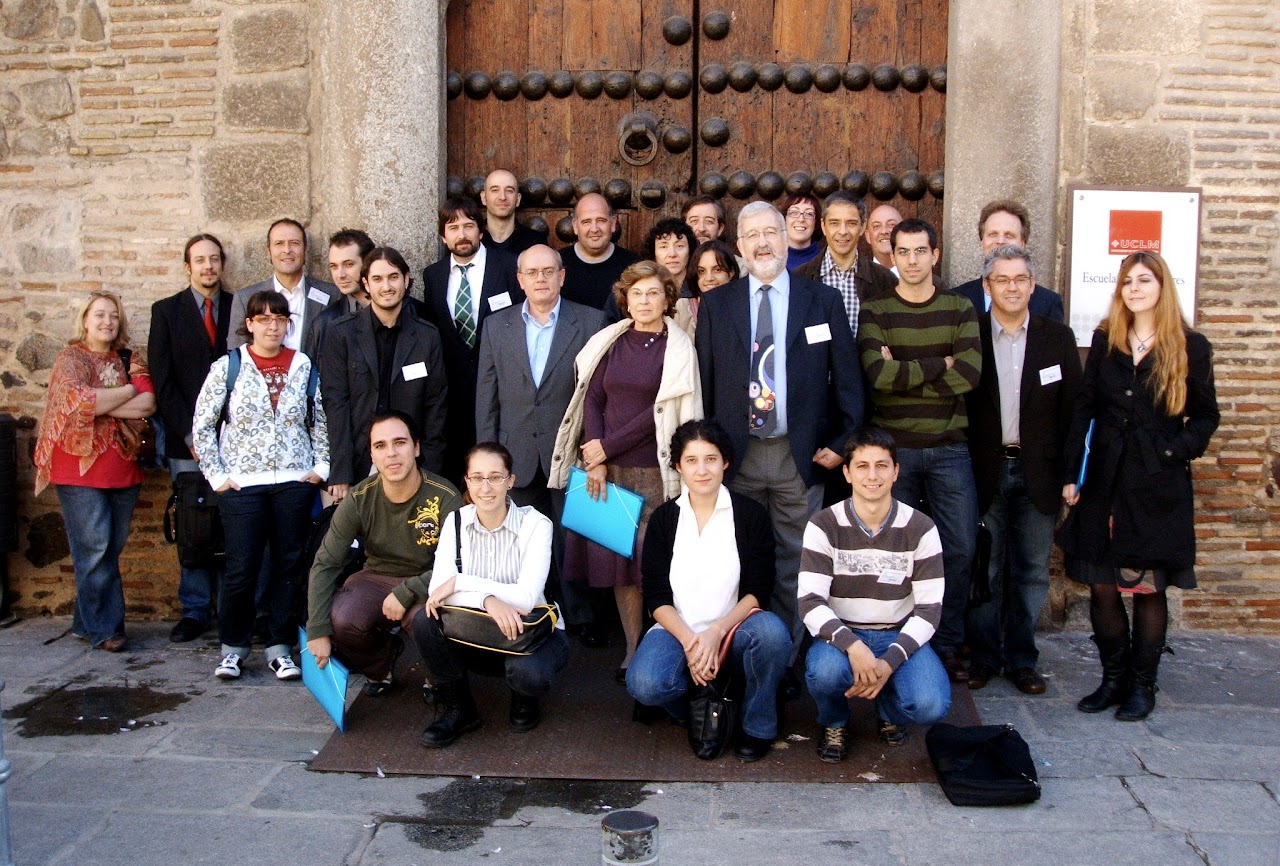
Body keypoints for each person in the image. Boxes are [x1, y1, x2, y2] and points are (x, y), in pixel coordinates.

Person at [695, 201, 864, 673]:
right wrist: (708, 452)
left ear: (787, 239)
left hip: (799, 454)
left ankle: (785, 659)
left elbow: (847, 380)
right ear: (741, 246)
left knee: (797, 560)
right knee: (738, 559)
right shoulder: (717, 304)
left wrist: (845, 440)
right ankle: (739, 653)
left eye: (772, 232)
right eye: (752, 235)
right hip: (738, 456)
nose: (763, 242)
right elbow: (706, 385)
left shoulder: (822, 301)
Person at [1059, 251, 1219, 721]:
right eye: (1127, 281)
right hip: (1105, 481)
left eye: (1144, 280)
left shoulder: (1191, 346)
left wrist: (1171, 450)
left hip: (1156, 486)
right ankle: (1112, 679)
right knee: (1103, 586)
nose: (1134, 288)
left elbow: (1206, 416)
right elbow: (1085, 408)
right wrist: (1072, 473)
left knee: (1148, 587)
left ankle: (1142, 686)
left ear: (1162, 286)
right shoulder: (1107, 339)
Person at [550, 260, 702, 681]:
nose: (645, 300)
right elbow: (592, 399)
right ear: (626, 299)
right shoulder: (611, 340)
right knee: (620, 566)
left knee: (650, 565)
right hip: (608, 470)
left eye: (654, 293)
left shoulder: (679, 348)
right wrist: (596, 457)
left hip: (653, 473)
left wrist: (606, 447)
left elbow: (658, 413)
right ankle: (633, 646)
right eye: (637, 293)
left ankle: (663, 647)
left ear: (667, 299)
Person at [857, 218, 981, 683]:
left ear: (935, 254)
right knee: (896, 553)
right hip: (896, 454)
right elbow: (878, 378)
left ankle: (945, 643)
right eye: (902, 251)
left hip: (950, 450)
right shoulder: (877, 309)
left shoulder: (959, 307)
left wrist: (906, 371)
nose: (911, 260)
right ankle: (900, 640)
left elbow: (967, 376)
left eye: (919, 251)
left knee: (960, 548)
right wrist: (938, 364)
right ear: (892, 255)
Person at [627, 419, 791, 762]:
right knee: (644, 684)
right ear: (678, 466)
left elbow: (759, 589)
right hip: (678, 631)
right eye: (691, 460)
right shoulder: (664, 519)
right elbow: (655, 595)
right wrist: (691, 642)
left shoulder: (749, 515)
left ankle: (756, 726)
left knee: (773, 635)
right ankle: (696, 706)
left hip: (735, 630)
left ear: (725, 462)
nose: (702, 470)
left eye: (711, 459)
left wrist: (716, 632)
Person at [193, 290, 329, 682]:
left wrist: (320, 467)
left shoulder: (303, 365)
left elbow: (320, 419)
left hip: (293, 480)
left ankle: (280, 647)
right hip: (242, 486)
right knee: (242, 566)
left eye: (279, 318)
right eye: (263, 319)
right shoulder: (229, 366)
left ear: (288, 323)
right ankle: (233, 648)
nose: (272, 325)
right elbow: (202, 424)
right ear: (249, 324)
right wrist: (218, 477)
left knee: (289, 565)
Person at [475, 244, 605, 645]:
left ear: (562, 275)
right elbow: (487, 394)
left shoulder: (591, 321)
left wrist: (597, 449)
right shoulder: (497, 326)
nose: (541, 279)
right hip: (516, 453)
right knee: (522, 537)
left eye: (549, 271)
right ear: (520, 279)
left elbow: (600, 392)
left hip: (571, 452)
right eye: (532, 273)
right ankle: (531, 608)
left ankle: (581, 615)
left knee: (575, 537)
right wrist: (487, 461)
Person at [964, 245, 1081, 694]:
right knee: (985, 569)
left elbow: (1073, 412)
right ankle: (984, 657)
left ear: (1032, 285)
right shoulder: (969, 335)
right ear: (987, 286)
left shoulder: (1057, 338)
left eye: (1020, 279)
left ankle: (1021, 659)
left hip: (1040, 473)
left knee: (1032, 570)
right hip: (984, 472)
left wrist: (1071, 473)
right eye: (1002, 279)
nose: (1011, 287)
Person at [800, 428, 951, 762]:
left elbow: (928, 611)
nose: (872, 475)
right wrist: (853, 647)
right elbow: (810, 602)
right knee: (824, 673)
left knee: (931, 705)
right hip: (842, 635)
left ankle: (890, 712)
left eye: (882, 466)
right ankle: (834, 721)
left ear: (896, 472)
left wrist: (888, 661)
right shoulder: (823, 525)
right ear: (847, 472)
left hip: (897, 633)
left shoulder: (921, 528)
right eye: (863, 466)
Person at [411, 442, 570, 747]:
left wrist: (461, 582)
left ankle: (524, 698)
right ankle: (460, 710)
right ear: (467, 482)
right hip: (477, 631)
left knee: (528, 674)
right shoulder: (455, 522)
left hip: (528, 635)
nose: (486, 487)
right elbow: (436, 593)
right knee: (425, 621)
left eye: (496, 477)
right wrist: (487, 600)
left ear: (511, 480)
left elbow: (525, 599)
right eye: (477, 477)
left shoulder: (537, 524)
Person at [306, 410, 461, 697]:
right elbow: (326, 563)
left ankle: (439, 676)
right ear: (372, 455)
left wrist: (407, 592)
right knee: (342, 618)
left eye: (400, 443)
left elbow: (457, 565)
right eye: (380, 446)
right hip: (377, 576)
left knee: (430, 623)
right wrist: (317, 630)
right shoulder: (359, 498)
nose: (391, 454)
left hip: (431, 581)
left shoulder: (444, 496)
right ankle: (381, 667)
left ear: (416, 447)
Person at [34, 291, 156, 652]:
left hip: (122, 467)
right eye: (99, 315)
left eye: (113, 316)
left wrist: (104, 402)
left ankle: (83, 620)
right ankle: (106, 630)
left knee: (107, 548)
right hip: (77, 468)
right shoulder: (70, 358)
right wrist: (124, 394)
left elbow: (147, 404)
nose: (107, 322)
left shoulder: (128, 358)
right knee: (95, 547)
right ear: (85, 320)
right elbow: (79, 402)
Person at [149, 234, 233, 642]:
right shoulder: (165, 312)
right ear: (188, 266)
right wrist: (190, 434)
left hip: (236, 438)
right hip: (187, 442)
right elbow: (163, 384)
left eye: (214, 259)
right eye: (200, 260)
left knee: (233, 523)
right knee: (193, 523)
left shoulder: (238, 308)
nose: (208, 267)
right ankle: (196, 611)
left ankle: (233, 610)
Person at [322, 247, 448, 502]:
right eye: (377, 279)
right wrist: (341, 470)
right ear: (366, 283)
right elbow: (335, 404)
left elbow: (436, 405)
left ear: (406, 279)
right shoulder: (341, 334)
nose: (386, 286)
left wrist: (431, 471)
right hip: (359, 460)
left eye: (393, 277)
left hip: (412, 463)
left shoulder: (427, 336)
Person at [421, 198, 522, 483]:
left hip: (501, 387)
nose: (461, 234)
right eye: (453, 227)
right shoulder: (433, 275)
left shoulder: (508, 267)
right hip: (452, 392)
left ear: (481, 231)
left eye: (469, 225)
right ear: (443, 236)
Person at [792, 191, 897, 337]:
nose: (843, 231)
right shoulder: (798, 279)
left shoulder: (885, 280)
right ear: (823, 226)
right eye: (834, 223)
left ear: (862, 227)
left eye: (851, 223)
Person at [228, 218, 338, 356]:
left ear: (305, 250)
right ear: (269, 251)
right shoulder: (245, 298)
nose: (287, 250)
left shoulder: (331, 294)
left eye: (294, 243)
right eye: (279, 243)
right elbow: (236, 353)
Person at [949, 200, 1065, 322]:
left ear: (1023, 243)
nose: (1000, 241)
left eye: (1009, 235)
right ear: (982, 242)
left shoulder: (1049, 303)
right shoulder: (956, 300)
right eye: (993, 234)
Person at [602, 218, 698, 328]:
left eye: (679, 246)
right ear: (654, 252)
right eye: (663, 246)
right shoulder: (628, 288)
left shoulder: (700, 288)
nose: (672, 254)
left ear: (690, 251)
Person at [559, 193, 639, 310]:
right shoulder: (557, 265)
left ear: (613, 223)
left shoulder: (634, 266)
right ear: (575, 226)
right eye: (586, 222)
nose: (595, 229)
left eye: (601, 220)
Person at [309, 228, 375, 359]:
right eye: (334, 266)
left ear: (369, 263)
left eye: (349, 264)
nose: (340, 275)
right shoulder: (324, 323)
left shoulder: (410, 310)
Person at [480, 169, 548, 256]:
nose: (502, 197)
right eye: (495, 190)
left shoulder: (535, 242)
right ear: (484, 198)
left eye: (509, 191)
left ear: (518, 199)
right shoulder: (473, 240)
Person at [781, 193, 823, 270]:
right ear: (784, 219)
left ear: (816, 222)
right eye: (794, 213)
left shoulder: (825, 261)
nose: (801, 219)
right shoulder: (773, 259)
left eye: (809, 214)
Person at [863, 204, 902, 273]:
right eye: (877, 226)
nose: (884, 231)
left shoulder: (921, 275)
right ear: (868, 236)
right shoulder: (858, 276)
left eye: (891, 225)